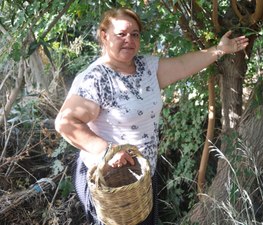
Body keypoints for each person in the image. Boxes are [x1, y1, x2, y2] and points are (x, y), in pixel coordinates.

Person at [54, 7, 248, 225]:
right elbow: (65, 123)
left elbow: (184, 65)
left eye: (135, 34)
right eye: (122, 34)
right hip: (111, 184)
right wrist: (107, 151)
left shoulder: (146, 67)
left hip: (143, 177)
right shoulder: (97, 79)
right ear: (104, 35)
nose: (129, 39)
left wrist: (219, 50)